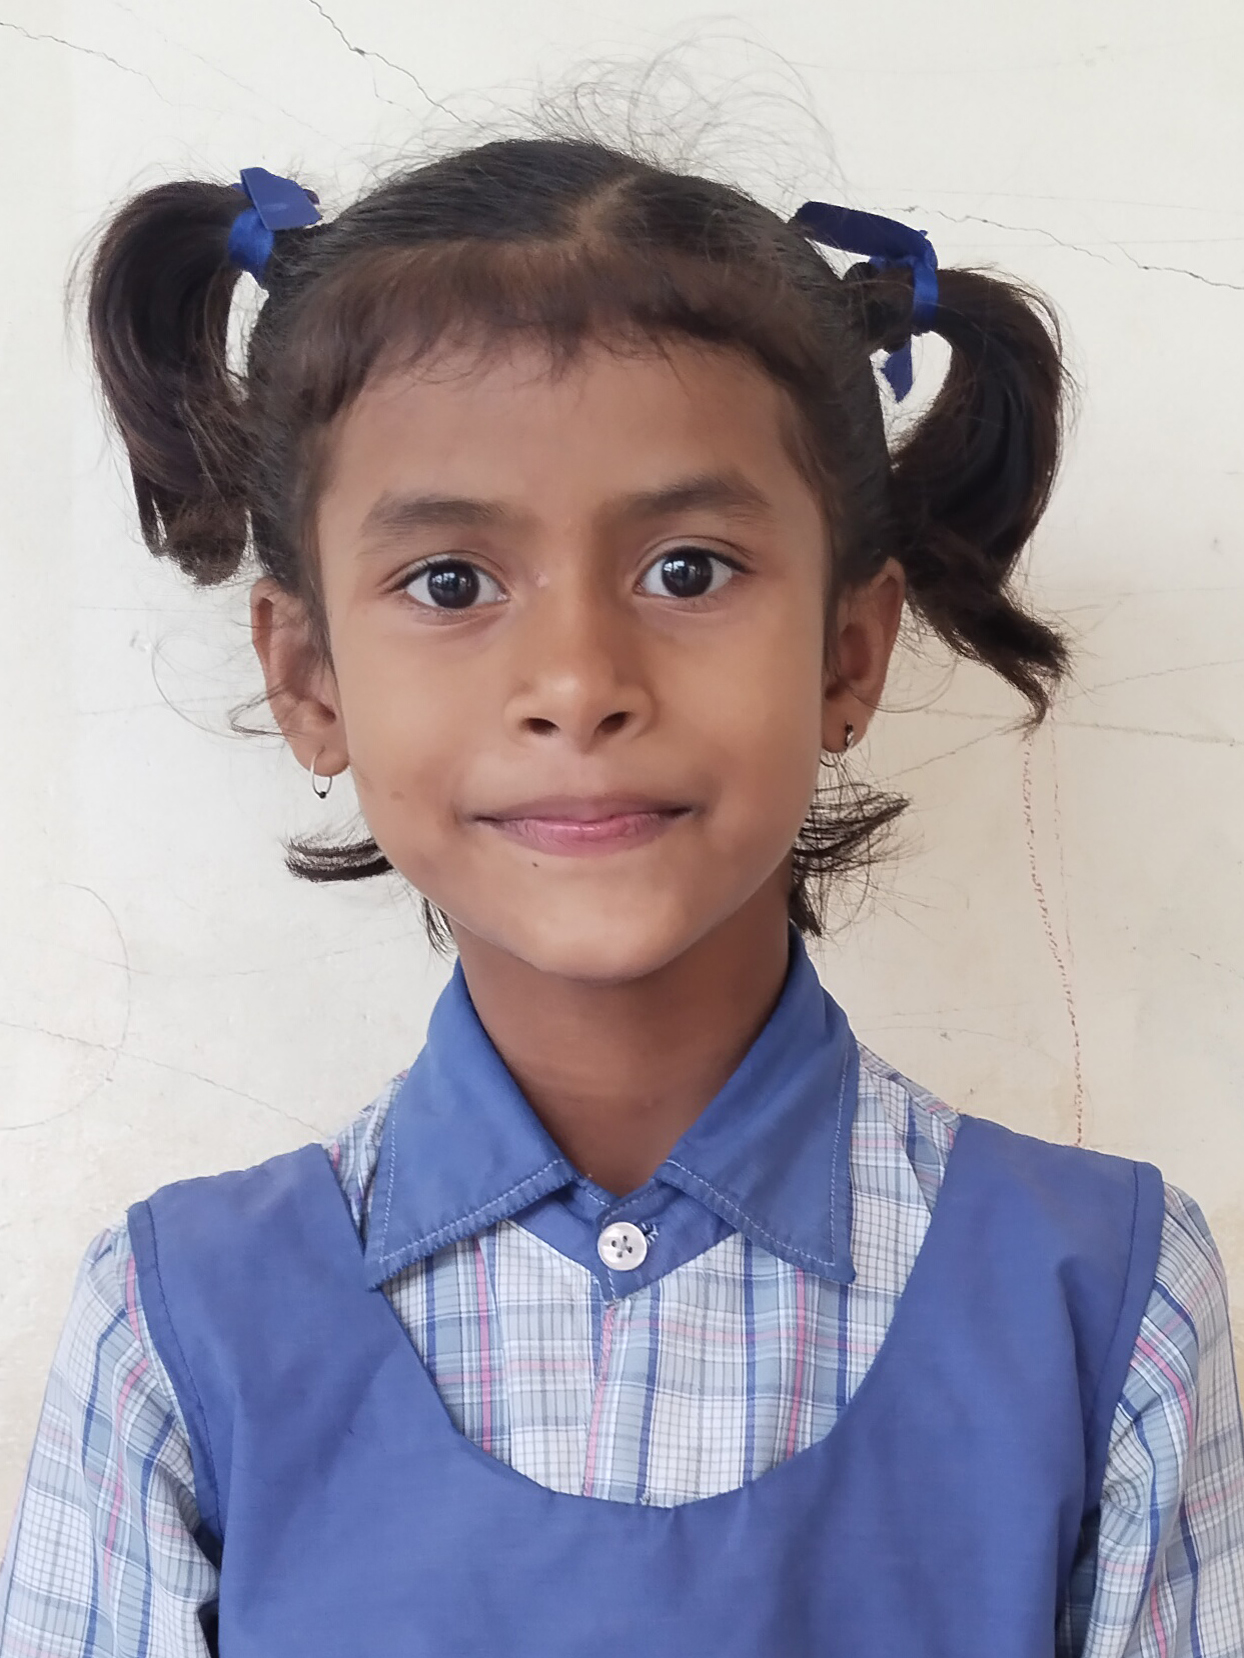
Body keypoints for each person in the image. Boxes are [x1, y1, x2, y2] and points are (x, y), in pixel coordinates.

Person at [1, 134, 1241, 1658]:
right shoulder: (173, 1329)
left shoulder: (1108, 1302)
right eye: (451, 582)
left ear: (849, 653)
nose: (580, 680)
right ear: (311, 680)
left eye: (689, 569)